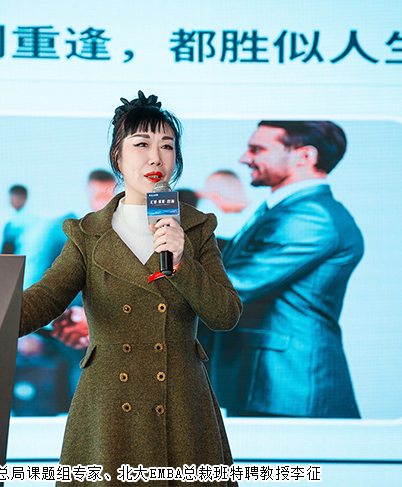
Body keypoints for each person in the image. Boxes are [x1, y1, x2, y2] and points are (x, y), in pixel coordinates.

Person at [20, 91, 241, 484]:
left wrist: (182, 261)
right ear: (118, 158)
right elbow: (46, 298)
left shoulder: (196, 227)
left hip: (181, 404)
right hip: (109, 408)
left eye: (167, 146)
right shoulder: (88, 233)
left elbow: (225, 315)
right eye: (141, 144)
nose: (156, 157)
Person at [211, 120, 363, 418]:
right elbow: (246, 254)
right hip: (273, 384)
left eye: (257, 149)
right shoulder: (292, 208)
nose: (244, 158)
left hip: (289, 386)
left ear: (304, 156)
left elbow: (232, 287)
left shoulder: (311, 215)